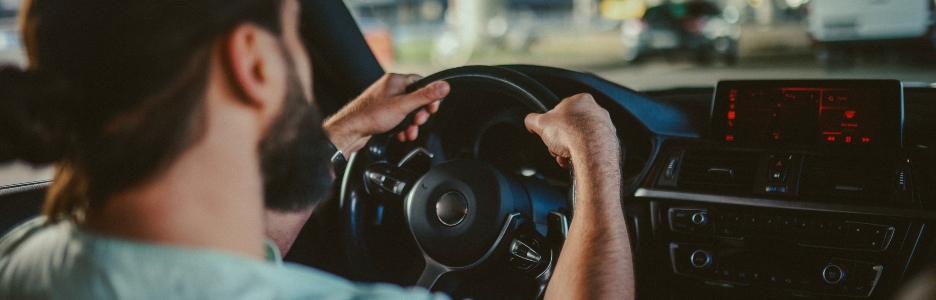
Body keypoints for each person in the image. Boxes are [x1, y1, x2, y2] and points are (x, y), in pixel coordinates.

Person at [0, 0, 633, 299]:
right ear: (252, 61)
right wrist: (595, 161)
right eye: (296, 43)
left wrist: (344, 132)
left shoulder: (28, 260)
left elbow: (218, 261)